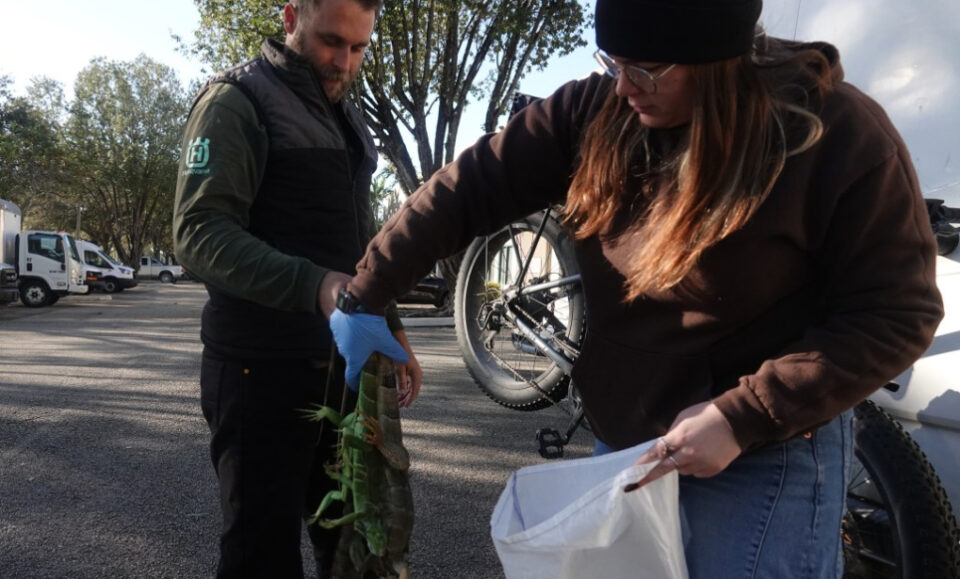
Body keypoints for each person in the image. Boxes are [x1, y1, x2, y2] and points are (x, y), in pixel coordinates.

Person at [328, 0, 944, 576]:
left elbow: (896, 311)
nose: (624, 87)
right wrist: (368, 292)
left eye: (645, 70)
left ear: (717, 60)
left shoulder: (834, 132)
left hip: (763, 450)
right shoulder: (598, 109)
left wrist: (744, 416)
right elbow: (469, 187)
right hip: (627, 440)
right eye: (613, 63)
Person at [172, 0, 421, 576]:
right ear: (290, 18)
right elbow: (197, 233)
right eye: (333, 42)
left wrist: (394, 326)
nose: (345, 62)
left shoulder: (347, 115)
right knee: (261, 554)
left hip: (341, 368)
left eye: (359, 48)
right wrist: (314, 284)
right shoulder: (235, 101)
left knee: (357, 545)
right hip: (257, 372)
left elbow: (360, 237)